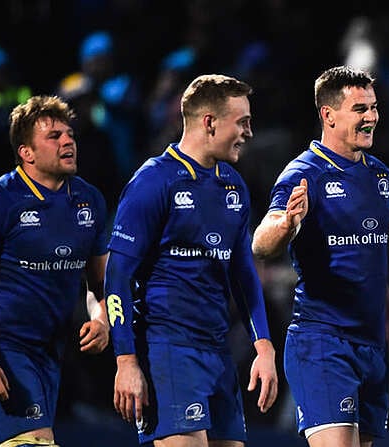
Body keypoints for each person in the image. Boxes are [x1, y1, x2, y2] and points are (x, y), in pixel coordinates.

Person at [251, 65, 389, 447]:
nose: (372, 117)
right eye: (360, 109)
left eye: (373, 107)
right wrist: (288, 224)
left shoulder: (380, 176)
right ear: (328, 115)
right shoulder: (302, 174)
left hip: (373, 346)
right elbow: (261, 242)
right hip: (323, 342)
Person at [105, 74, 278, 447]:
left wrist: (263, 346)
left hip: (217, 352)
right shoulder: (153, 182)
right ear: (210, 122)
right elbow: (117, 275)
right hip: (167, 349)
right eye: (242, 122)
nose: (249, 132)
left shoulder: (233, 185)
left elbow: (244, 274)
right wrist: (125, 360)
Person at [0, 95, 110, 447]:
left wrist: (102, 317)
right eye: (54, 136)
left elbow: (101, 284)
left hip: (52, 350)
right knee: (34, 442)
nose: (68, 141)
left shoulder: (89, 200)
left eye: (70, 134)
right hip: (3, 347)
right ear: (26, 153)